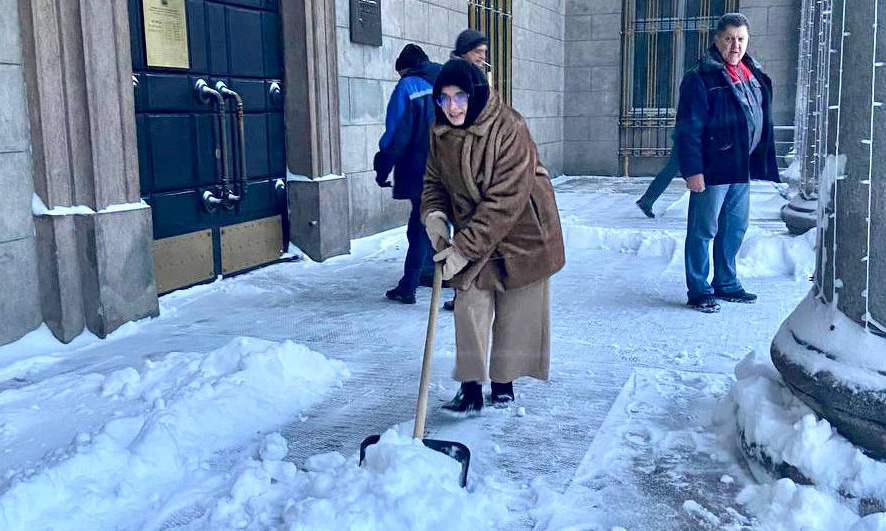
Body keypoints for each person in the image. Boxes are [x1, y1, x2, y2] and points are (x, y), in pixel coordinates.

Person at [421, 59, 565, 413]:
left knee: (518, 310)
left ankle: (504, 384)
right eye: (443, 98)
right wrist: (435, 217)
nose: (452, 107)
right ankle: (470, 389)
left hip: (524, 229)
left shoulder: (509, 127)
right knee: (468, 305)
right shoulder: (439, 131)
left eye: (459, 97)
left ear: (476, 94)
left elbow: (505, 201)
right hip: (477, 229)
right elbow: (433, 181)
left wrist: (463, 249)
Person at [675, 13, 779, 313]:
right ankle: (698, 288)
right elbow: (688, 128)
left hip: (741, 166)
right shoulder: (701, 76)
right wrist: (692, 171)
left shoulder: (750, 72)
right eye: (729, 39)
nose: (736, 45)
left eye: (741, 39)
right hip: (712, 168)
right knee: (703, 229)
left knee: (735, 227)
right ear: (716, 40)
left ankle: (726, 282)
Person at [374, 44, 442, 304]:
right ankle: (436, 275)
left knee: (419, 225)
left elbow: (395, 135)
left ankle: (409, 285)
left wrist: (383, 165)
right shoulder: (447, 79)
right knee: (444, 222)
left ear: (405, 69)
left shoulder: (409, 87)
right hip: (451, 168)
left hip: (420, 170)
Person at [438, 29, 491, 312]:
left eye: (485, 52)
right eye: (478, 52)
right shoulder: (454, 77)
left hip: (479, 168)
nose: (483, 57)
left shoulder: (479, 77)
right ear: (464, 52)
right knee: (466, 231)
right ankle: (464, 293)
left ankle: (471, 291)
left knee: (477, 232)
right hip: (460, 168)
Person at [635, 142, 680, 218]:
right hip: (691, 138)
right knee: (671, 170)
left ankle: (647, 200)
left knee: (671, 170)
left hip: (689, 138)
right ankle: (647, 201)